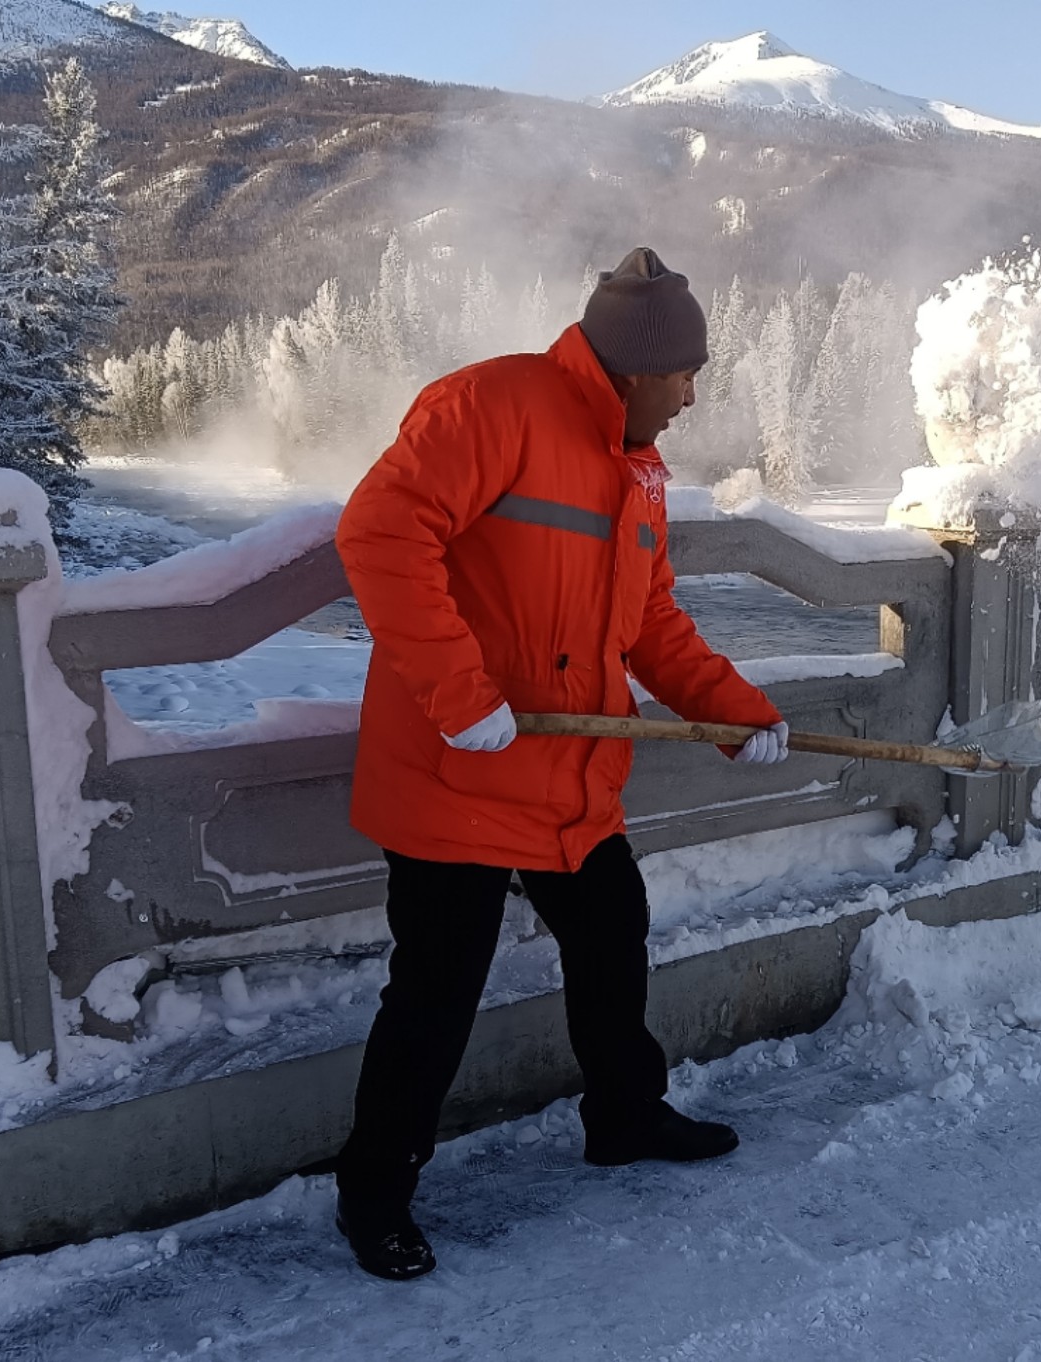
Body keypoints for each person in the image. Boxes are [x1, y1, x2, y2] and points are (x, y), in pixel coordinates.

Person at [330, 247, 791, 1281]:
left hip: (567, 777)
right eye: (684, 373)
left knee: (611, 933)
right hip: (458, 768)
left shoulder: (636, 470)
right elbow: (380, 532)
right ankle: (373, 1194)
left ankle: (623, 1116)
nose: (691, 394)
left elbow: (652, 623)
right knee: (437, 989)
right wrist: (462, 696)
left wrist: (734, 711)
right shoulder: (491, 406)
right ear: (633, 366)